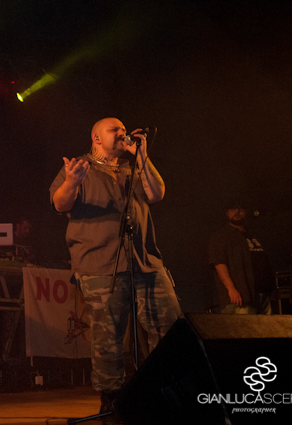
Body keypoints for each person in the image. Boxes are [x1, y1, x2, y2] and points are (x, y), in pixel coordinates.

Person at [49, 117, 180, 421]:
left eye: (123, 129)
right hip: (99, 266)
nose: (122, 133)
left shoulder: (133, 167)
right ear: (96, 137)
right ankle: (111, 403)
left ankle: (165, 393)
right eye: (114, 130)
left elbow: (156, 194)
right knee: (108, 339)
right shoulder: (79, 167)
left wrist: (142, 155)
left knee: (169, 328)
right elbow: (60, 204)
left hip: (146, 262)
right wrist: (71, 182)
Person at [208, 200, 274, 314]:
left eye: (240, 209)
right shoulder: (221, 236)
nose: (237, 211)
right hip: (240, 298)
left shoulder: (253, 234)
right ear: (227, 213)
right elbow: (219, 264)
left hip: (263, 296)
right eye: (233, 209)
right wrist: (231, 289)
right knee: (244, 325)